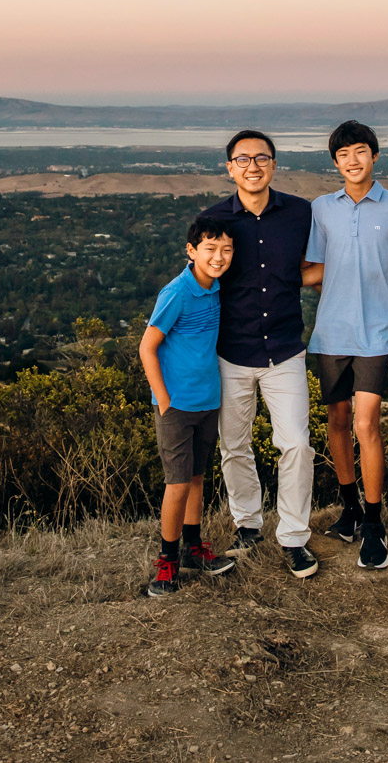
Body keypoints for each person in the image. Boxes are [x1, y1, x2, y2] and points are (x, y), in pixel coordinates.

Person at [197, 130, 322, 579]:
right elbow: (198, 281)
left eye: (261, 157)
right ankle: (247, 526)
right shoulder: (213, 221)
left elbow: (320, 264)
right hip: (230, 352)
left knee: (296, 446)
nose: (253, 166)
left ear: (273, 164)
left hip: (285, 349)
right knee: (234, 446)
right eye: (242, 159)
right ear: (229, 167)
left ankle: (293, 537)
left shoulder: (301, 213)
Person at [303, 120, 388, 569]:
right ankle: (348, 510)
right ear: (335, 162)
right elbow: (314, 268)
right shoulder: (322, 209)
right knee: (338, 420)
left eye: (361, 151)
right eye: (344, 154)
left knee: (368, 425)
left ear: (375, 156)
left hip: (376, 333)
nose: (353, 160)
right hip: (331, 332)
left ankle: (373, 523)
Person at [139, 217, 241, 596]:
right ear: (191, 251)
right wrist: (164, 399)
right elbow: (147, 347)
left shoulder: (216, 287)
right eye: (210, 249)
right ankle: (167, 561)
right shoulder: (177, 292)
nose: (218, 257)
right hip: (177, 406)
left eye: (226, 250)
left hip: (207, 402)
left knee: (197, 478)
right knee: (177, 483)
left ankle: (195, 549)